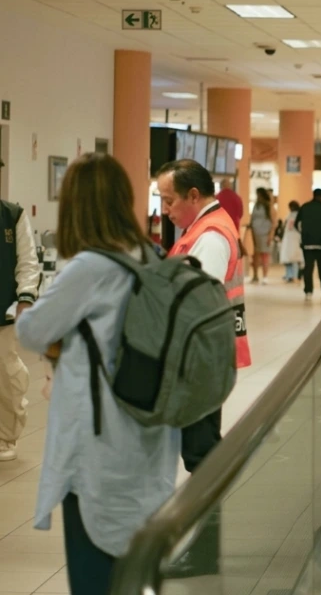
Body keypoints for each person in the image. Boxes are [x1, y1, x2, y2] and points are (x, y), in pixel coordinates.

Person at [16, 154, 178, 595]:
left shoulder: (89, 268)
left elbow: (31, 331)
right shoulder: (152, 257)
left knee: (95, 579)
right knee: (135, 573)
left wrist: (34, 309)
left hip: (97, 447)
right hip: (149, 438)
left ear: (75, 206)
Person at [156, 159, 250, 578]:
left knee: (201, 454)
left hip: (201, 361)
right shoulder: (204, 230)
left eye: (169, 199)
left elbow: (194, 305)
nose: (165, 209)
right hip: (205, 358)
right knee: (201, 451)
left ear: (195, 196)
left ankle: (206, 550)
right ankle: (204, 546)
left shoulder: (211, 237)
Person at [0, 197, 42, 462]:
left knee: (6, 376)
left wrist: (26, 297)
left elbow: (27, 261)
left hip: (2, 310)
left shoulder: (12, 215)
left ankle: (5, 436)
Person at [249, 188, 275, 284]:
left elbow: (273, 222)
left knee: (264, 255)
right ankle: (255, 275)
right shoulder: (256, 205)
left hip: (265, 234)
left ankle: (265, 276)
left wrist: (270, 235)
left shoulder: (269, 207)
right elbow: (252, 218)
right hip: (256, 233)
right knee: (256, 255)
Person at [279, 200, 303, 283]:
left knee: (291, 259)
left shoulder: (290, 216)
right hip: (294, 238)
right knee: (293, 259)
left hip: (291, 238)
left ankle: (292, 275)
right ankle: (292, 275)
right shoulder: (298, 215)